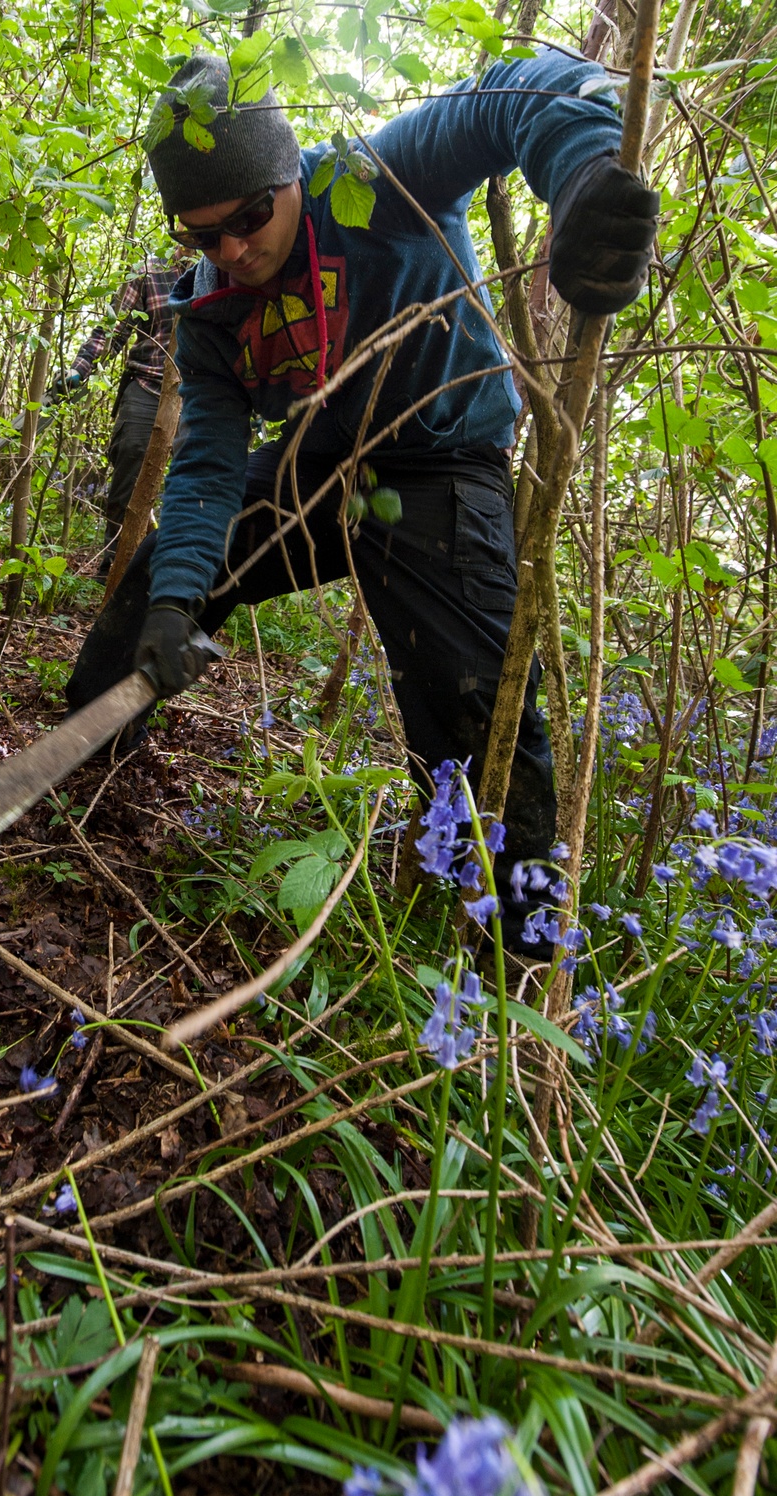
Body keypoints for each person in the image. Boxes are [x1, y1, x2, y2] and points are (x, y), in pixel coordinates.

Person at [67, 49, 658, 952]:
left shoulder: (374, 180)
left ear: (285, 173)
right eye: (201, 235)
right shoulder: (211, 310)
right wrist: (182, 600)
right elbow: (207, 467)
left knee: (470, 712)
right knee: (150, 596)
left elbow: (522, 91)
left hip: (441, 465)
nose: (232, 250)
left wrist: (581, 178)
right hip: (319, 470)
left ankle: (523, 962)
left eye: (249, 218)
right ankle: (78, 789)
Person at [94, 251, 190, 573]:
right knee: (131, 457)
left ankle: (173, 571)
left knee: (193, 478)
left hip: (199, 392)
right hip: (148, 384)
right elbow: (112, 329)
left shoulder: (224, 266)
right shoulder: (148, 270)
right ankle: (115, 562)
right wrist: (81, 368)